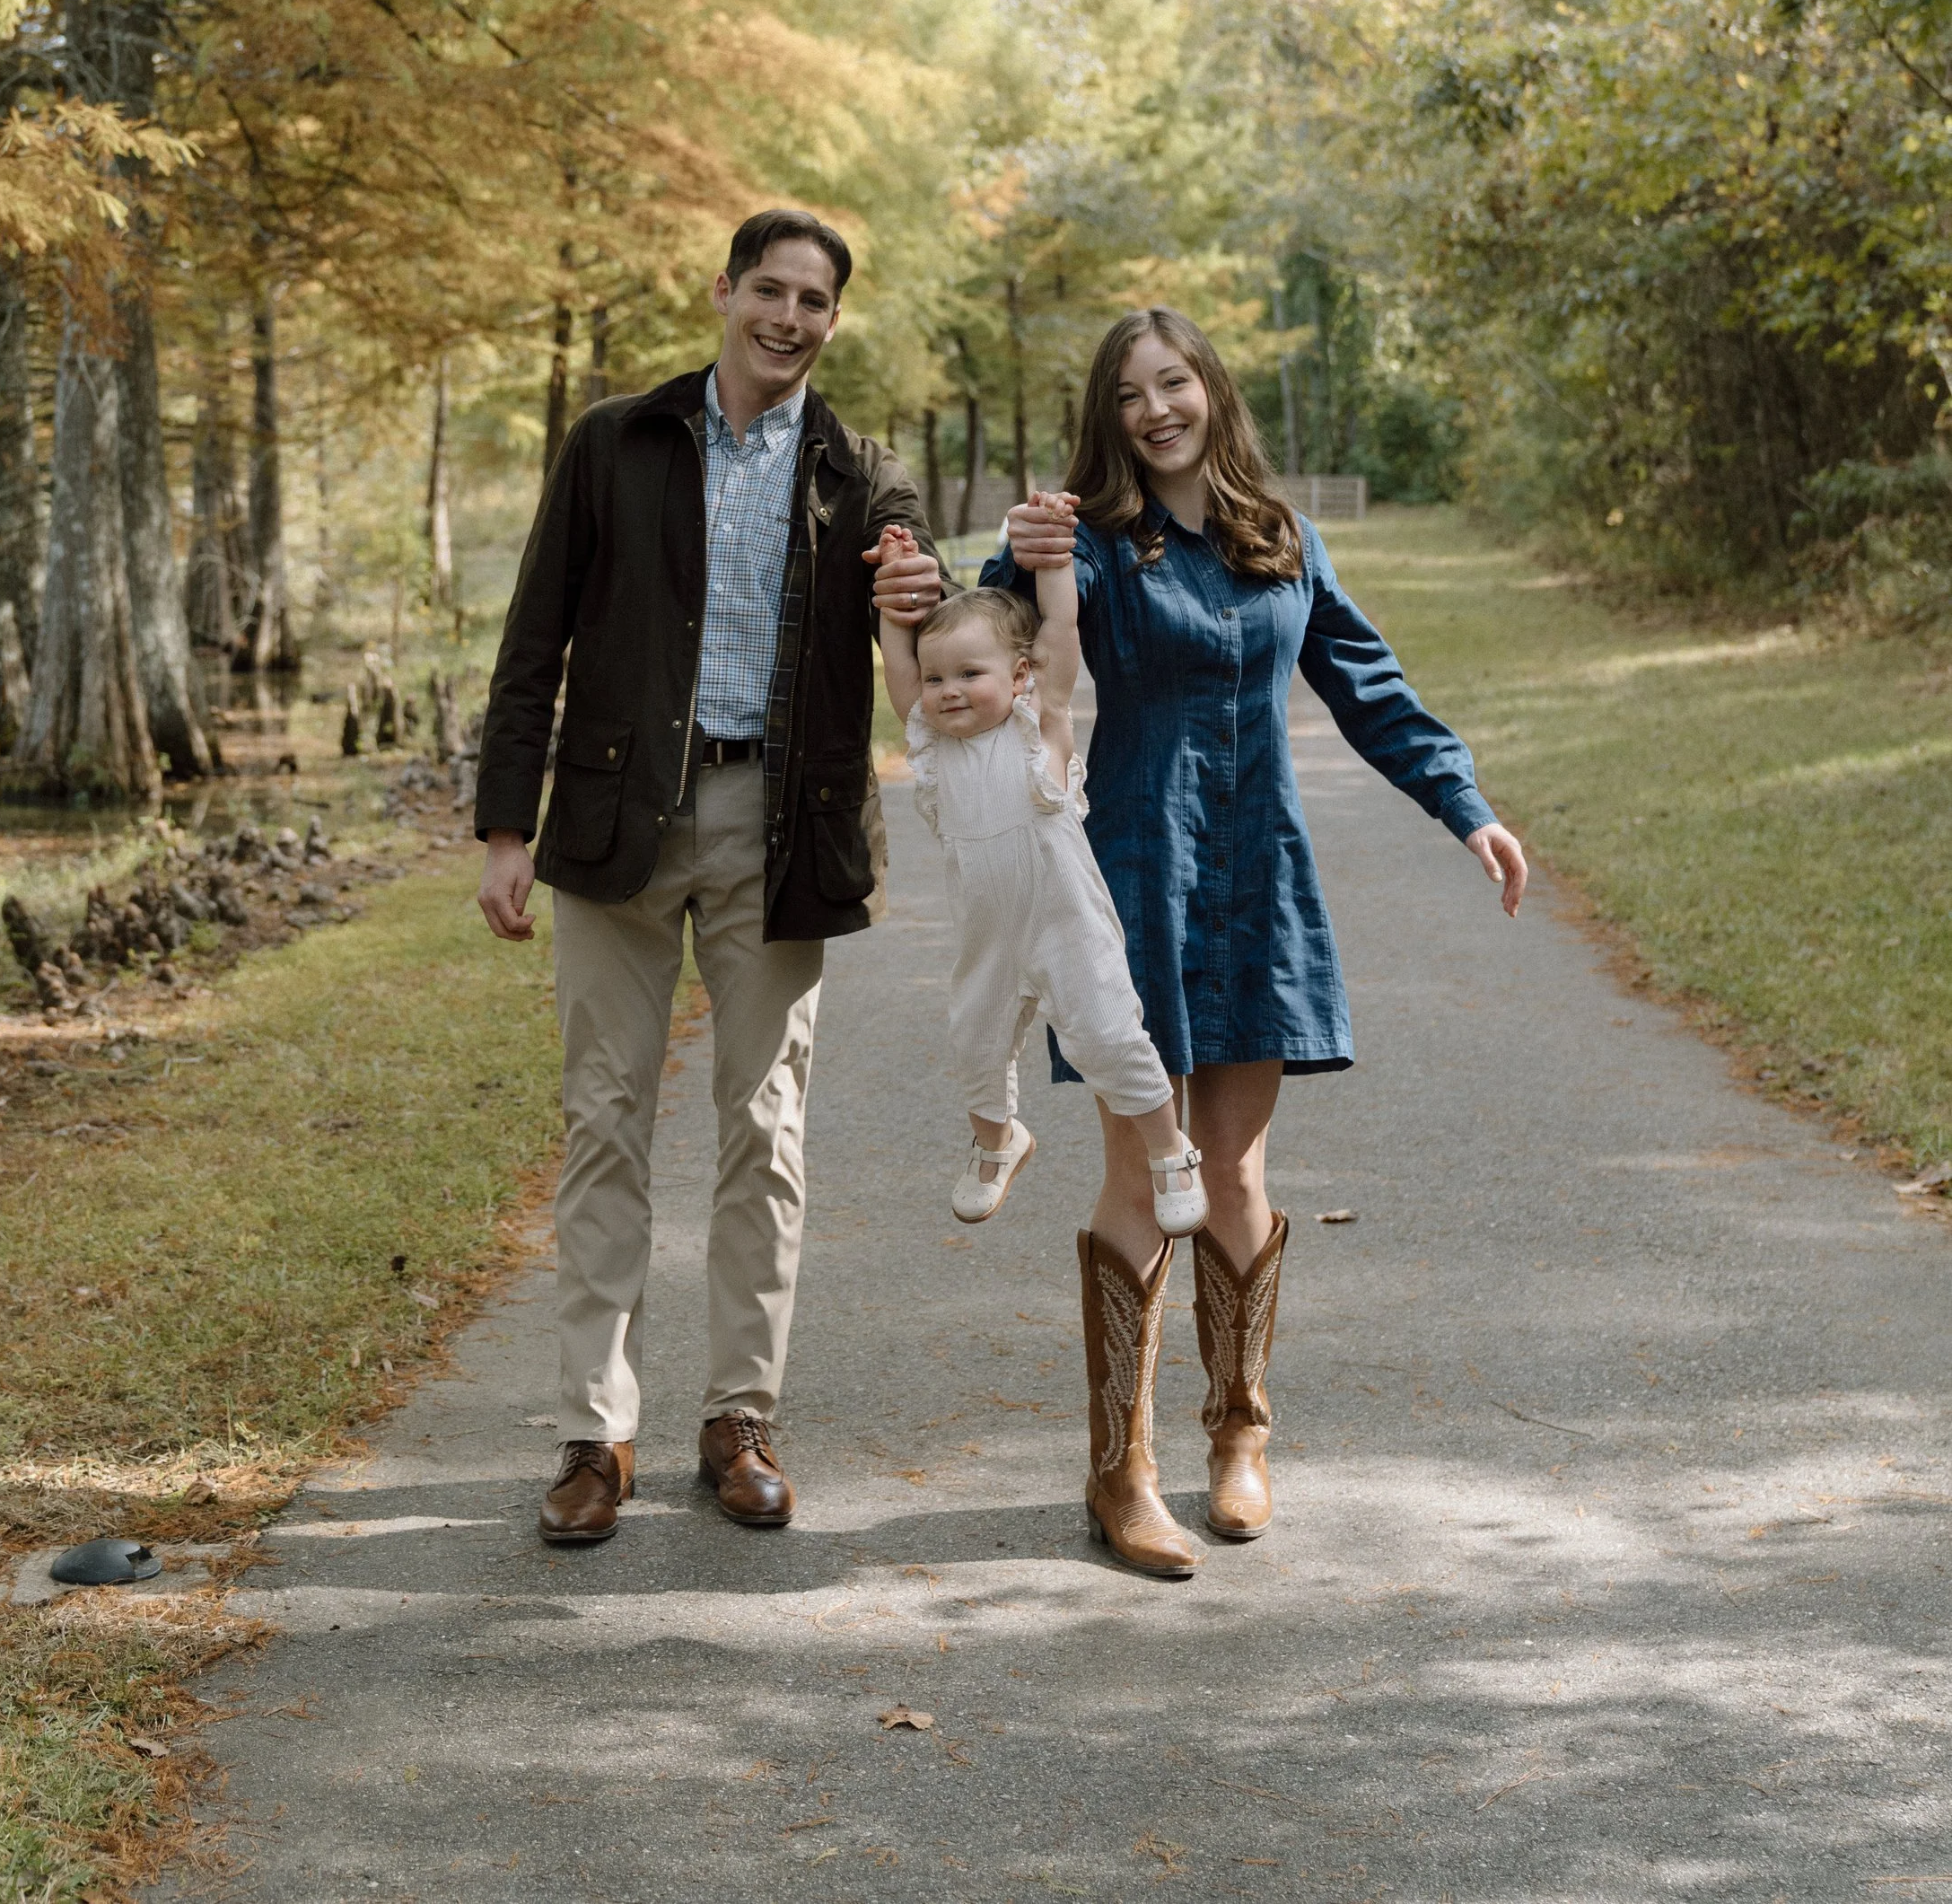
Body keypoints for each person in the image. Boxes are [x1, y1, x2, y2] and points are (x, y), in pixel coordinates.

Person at [985, 307, 1527, 1575]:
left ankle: (1240, 1433)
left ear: (1212, 391)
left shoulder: (1279, 537)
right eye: (1129, 393)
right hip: (1134, 879)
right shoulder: (1094, 545)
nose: (1156, 408)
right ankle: (1121, 1469)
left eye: (1174, 382)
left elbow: (1370, 683)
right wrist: (1013, 564)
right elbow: (1006, 652)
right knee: (1140, 1178)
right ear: (1106, 418)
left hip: (1257, 880)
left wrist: (1467, 805)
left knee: (1232, 1173)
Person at [474, 208, 946, 1549]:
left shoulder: (865, 472)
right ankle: (593, 1432)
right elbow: (534, 638)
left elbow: (934, 606)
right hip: (621, 820)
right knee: (605, 1115)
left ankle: (740, 1418)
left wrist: (935, 586)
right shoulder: (615, 443)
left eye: (816, 301)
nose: (789, 318)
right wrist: (505, 825)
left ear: (833, 321)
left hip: (779, 829)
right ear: (725, 291)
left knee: (766, 1127)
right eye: (770, 291)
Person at [877, 559, 1212, 1579]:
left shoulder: (1040, 731)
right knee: (974, 1041)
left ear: (1017, 678)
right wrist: (891, 620)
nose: (945, 692)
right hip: (987, 937)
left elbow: (1062, 639)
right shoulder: (930, 745)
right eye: (936, 679)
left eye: (969, 674)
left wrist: (1058, 573)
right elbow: (897, 674)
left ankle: (1169, 1152)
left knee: (1113, 1039)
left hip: (1066, 927)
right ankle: (997, 1137)